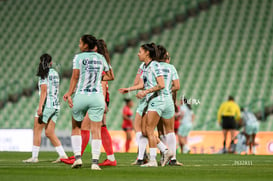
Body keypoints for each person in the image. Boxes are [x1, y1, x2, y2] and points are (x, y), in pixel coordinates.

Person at [61, 39, 116, 166]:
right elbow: (108, 77)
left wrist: (70, 93)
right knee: (100, 127)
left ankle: (77, 156)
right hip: (97, 98)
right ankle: (104, 160)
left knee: (81, 127)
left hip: (90, 96)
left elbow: (77, 77)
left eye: (80, 43)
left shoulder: (82, 59)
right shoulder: (102, 59)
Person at [119, 43, 173, 167]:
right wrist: (130, 89)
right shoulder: (146, 66)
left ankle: (153, 160)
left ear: (147, 53)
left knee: (148, 129)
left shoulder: (155, 65)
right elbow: (143, 84)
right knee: (144, 130)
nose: (138, 54)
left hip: (157, 99)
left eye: (140, 51)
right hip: (151, 100)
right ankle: (165, 151)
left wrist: (146, 92)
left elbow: (162, 84)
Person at [23, 54, 67, 163]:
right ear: (51, 63)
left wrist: (40, 107)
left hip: (47, 105)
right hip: (56, 105)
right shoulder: (55, 73)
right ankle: (63, 155)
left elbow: (44, 91)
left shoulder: (44, 75)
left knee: (37, 130)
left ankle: (34, 157)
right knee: (49, 132)